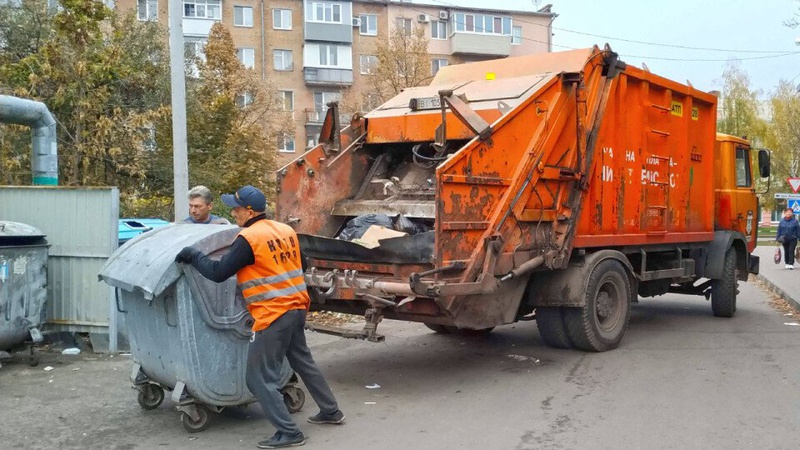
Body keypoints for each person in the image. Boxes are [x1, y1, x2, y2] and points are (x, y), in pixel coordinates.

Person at [174, 185, 344, 449]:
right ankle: (331, 411)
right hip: (297, 308)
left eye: (236, 208)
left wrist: (194, 255)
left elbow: (218, 272)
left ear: (249, 211)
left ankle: (289, 432)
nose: (233, 212)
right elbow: (303, 264)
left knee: (257, 378)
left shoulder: (249, 238)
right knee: (302, 360)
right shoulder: (285, 230)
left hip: (273, 315)